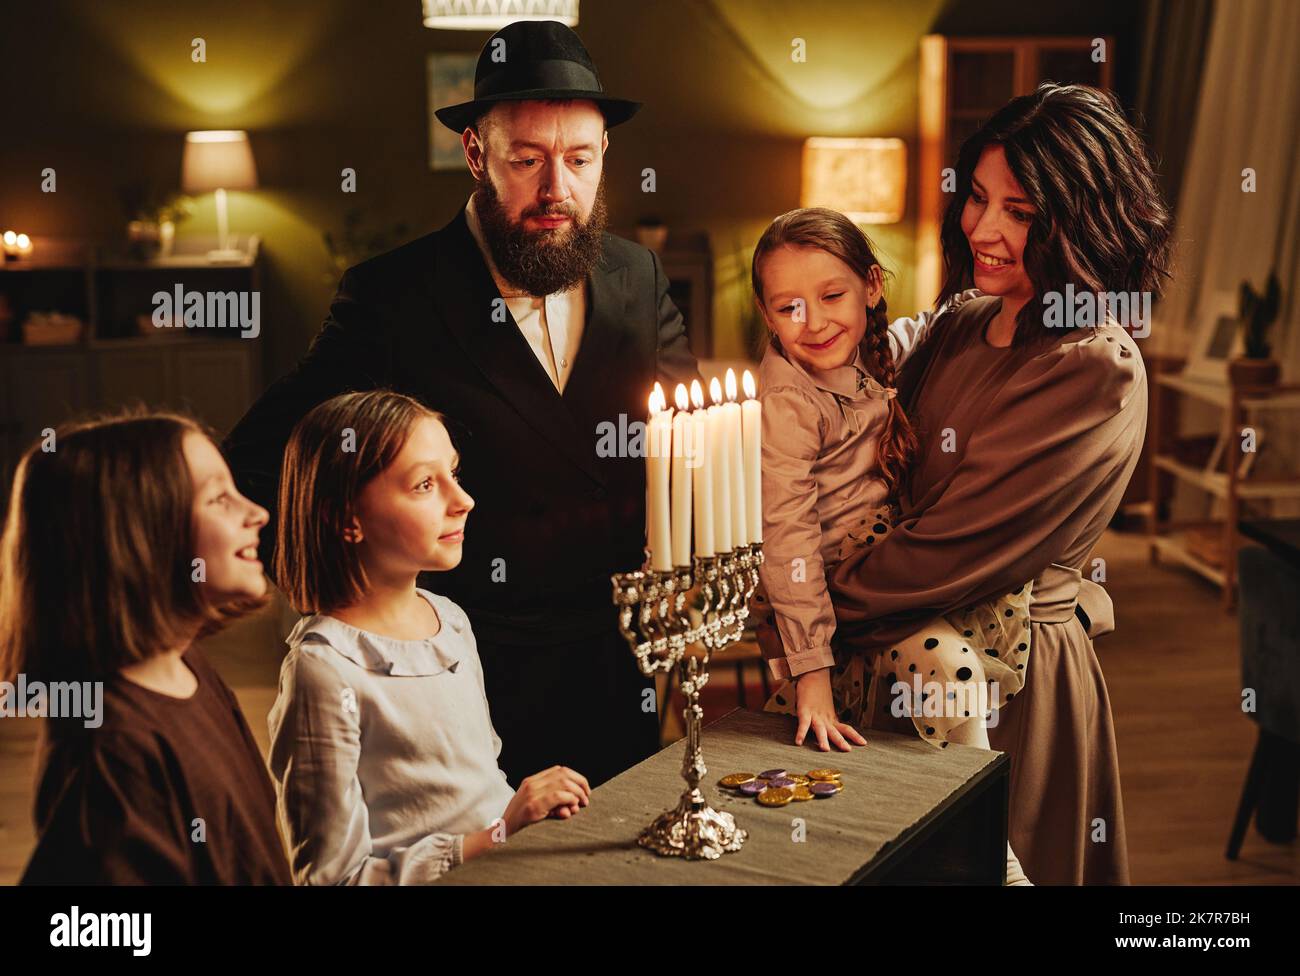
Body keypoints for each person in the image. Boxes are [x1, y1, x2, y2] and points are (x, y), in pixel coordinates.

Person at [224, 20, 700, 789]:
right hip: (463, 674)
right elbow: (258, 457)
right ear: (475, 153)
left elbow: (692, 450)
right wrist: (340, 593)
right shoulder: (392, 296)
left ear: (606, 153)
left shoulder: (638, 276)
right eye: (528, 160)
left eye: (579, 160)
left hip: (619, 662)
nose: (557, 190)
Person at [828, 84, 1172, 885]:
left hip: (1011, 685)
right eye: (978, 198)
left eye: (1020, 212)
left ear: (1080, 221)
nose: (983, 227)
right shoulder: (963, 321)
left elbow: (947, 547)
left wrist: (806, 601)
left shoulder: (1093, 366)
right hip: (901, 652)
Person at [747, 207, 1034, 884]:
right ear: (765, 313)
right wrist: (810, 671)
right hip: (828, 587)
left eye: (831, 296)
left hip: (890, 561)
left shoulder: (873, 356)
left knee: (948, 687)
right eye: (788, 306)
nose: (812, 322)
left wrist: (978, 300)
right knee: (952, 669)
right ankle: (998, 858)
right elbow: (785, 537)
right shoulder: (787, 401)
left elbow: (933, 328)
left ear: (872, 286)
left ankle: (976, 839)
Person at [268, 390, 591, 884]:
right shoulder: (324, 671)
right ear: (345, 518)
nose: (463, 501)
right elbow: (333, 878)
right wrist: (501, 833)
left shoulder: (450, 620)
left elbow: (477, 788)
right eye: (423, 484)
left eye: (454, 474)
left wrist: (527, 817)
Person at [0, 411, 290, 884]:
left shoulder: (186, 665)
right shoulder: (113, 758)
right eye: (219, 498)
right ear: (139, 539)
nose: (257, 513)